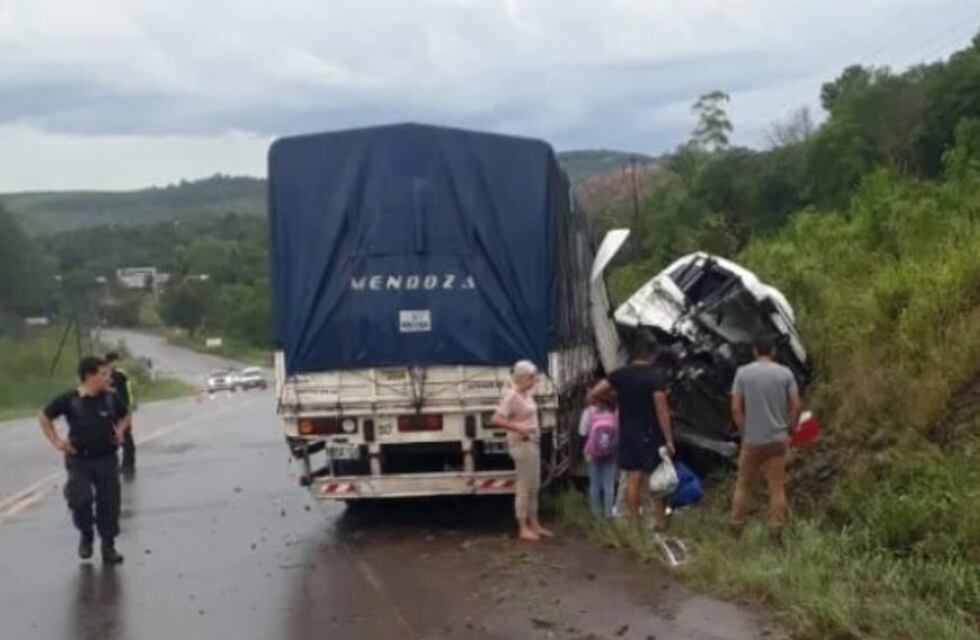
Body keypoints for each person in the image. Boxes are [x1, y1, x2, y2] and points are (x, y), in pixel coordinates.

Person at [38, 356, 129, 564]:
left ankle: (108, 546)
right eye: (103, 374)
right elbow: (44, 417)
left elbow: (125, 415)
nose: (108, 378)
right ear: (89, 376)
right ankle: (86, 534)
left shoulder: (111, 398)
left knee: (109, 502)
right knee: (81, 500)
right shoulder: (70, 399)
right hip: (79, 459)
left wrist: (121, 431)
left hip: (106, 458)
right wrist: (57, 441)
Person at [590, 340, 675, 531]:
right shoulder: (655, 377)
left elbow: (594, 393)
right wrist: (669, 438)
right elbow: (662, 410)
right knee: (656, 479)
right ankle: (657, 521)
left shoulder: (620, 375)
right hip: (649, 433)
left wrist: (613, 400)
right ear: (651, 356)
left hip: (626, 431)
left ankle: (633, 523)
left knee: (632, 479)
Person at [730, 335, 802, 545]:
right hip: (778, 440)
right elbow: (796, 406)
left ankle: (735, 528)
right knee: (777, 488)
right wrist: (790, 429)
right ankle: (775, 534)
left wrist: (744, 432)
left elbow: (735, 408)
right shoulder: (785, 373)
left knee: (743, 485)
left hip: (752, 440)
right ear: (773, 351)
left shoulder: (742, 373)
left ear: (754, 351)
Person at [491, 360, 554, 542]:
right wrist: (518, 427)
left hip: (533, 442)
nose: (534, 380)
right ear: (521, 378)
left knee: (534, 486)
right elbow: (496, 419)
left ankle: (535, 523)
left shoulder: (526, 394)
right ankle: (523, 527)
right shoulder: (512, 396)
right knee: (524, 486)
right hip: (522, 444)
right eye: (531, 377)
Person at [578, 385, 619, 518]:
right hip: (611, 451)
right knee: (609, 483)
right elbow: (619, 431)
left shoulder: (589, 411)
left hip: (592, 451)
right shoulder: (615, 411)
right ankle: (608, 514)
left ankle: (596, 514)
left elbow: (582, 432)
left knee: (594, 482)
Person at [105, 352, 136, 472]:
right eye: (115, 361)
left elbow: (123, 393)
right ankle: (119, 464)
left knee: (126, 436)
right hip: (112, 410)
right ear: (110, 362)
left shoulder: (119, 375)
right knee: (113, 436)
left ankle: (128, 464)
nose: (116, 363)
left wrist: (128, 407)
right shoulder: (109, 374)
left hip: (122, 409)